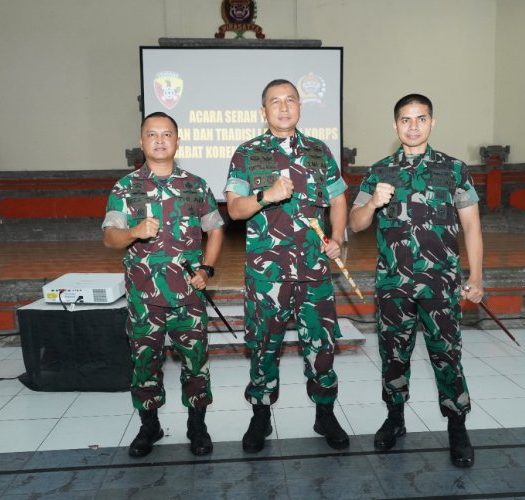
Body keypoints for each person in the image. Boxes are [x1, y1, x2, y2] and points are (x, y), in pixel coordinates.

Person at [348, 94, 483, 468]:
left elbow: (471, 227)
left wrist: (477, 275)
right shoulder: (378, 171)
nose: (412, 126)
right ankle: (395, 419)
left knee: (447, 355)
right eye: (405, 120)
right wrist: (372, 203)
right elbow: (354, 225)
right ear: (395, 126)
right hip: (394, 283)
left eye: (420, 119)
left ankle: (457, 427)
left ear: (432, 123)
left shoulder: (454, 170)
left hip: (440, 283)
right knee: (394, 355)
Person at [225, 79, 350, 452]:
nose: (283, 107)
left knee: (322, 346)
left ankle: (324, 413)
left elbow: (339, 198)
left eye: (290, 100)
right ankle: (260, 415)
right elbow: (234, 209)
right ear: (263, 111)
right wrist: (266, 195)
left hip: (314, 273)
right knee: (264, 346)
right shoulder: (247, 154)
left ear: (299, 107)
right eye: (274, 102)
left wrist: (338, 237)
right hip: (268, 276)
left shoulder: (318, 151)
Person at [102, 111, 224, 457]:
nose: (159, 140)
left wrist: (208, 269)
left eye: (166, 134)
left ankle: (196, 425)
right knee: (145, 365)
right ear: (141, 142)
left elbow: (215, 229)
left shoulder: (196, 185)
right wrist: (133, 233)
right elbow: (110, 238)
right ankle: (149, 426)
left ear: (177, 140)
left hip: (189, 297)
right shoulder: (125, 188)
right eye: (152, 135)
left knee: (196, 363)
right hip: (144, 299)